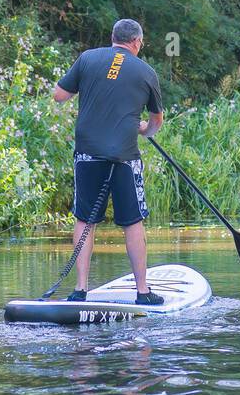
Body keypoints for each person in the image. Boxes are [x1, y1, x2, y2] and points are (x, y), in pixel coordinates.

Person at [52, 19, 164, 303]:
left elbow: (59, 95)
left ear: (112, 37)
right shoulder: (146, 71)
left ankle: (80, 290)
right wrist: (143, 130)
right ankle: (142, 292)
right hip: (124, 156)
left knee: (85, 219)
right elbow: (155, 121)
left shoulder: (88, 58)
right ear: (137, 42)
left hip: (87, 153)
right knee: (132, 222)